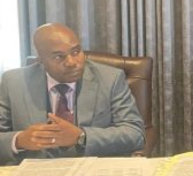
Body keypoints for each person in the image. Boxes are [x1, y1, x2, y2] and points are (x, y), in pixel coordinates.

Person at [0, 23, 145, 164]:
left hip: (91, 170)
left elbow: (135, 134)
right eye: (59, 57)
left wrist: (81, 136)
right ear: (40, 60)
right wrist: (18, 140)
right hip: (35, 173)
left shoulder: (110, 79)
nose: (71, 62)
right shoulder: (12, 82)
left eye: (76, 52)